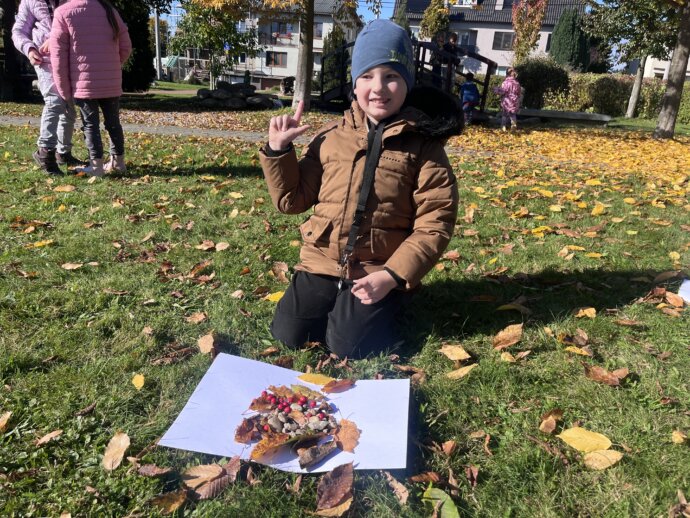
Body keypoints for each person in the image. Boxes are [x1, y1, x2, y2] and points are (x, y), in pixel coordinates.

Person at [259, 19, 461, 359]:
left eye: (391, 76)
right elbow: (292, 201)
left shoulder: (425, 148)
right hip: (322, 261)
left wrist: (393, 275)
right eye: (367, 76)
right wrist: (279, 151)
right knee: (289, 334)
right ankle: (335, 301)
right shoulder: (329, 137)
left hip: (379, 268)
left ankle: (393, 303)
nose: (378, 87)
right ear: (354, 84)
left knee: (349, 346)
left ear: (407, 83)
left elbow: (434, 224)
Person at [49, 0, 131, 177]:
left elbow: (58, 58)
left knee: (90, 125)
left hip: (83, 83)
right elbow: (126, 47)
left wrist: (64, 90)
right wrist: (111, 66)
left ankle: (96, 165)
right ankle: (119, 162)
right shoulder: (109, 9)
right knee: (113, 123)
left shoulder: (63, 12)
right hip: (110, 81)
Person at [12, 0, 84, 175]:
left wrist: (55, 39)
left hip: (69, 58)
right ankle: (45, 152)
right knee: (54, 101)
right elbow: (19, 31)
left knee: (69, 106)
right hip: (44, 59)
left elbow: (81, 24)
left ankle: (63, 152)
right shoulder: (30, 2)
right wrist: (29, 49)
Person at [494, 67, 522, 131]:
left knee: (504, 114)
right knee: (513, 114)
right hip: (514, 100)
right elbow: (519, 92)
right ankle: (513, 126)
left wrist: (497, 90)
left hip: (507, 100)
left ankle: (503, 126)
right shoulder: (517, 83)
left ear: (507, 74)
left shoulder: (505, 82)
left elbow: (503, 91)